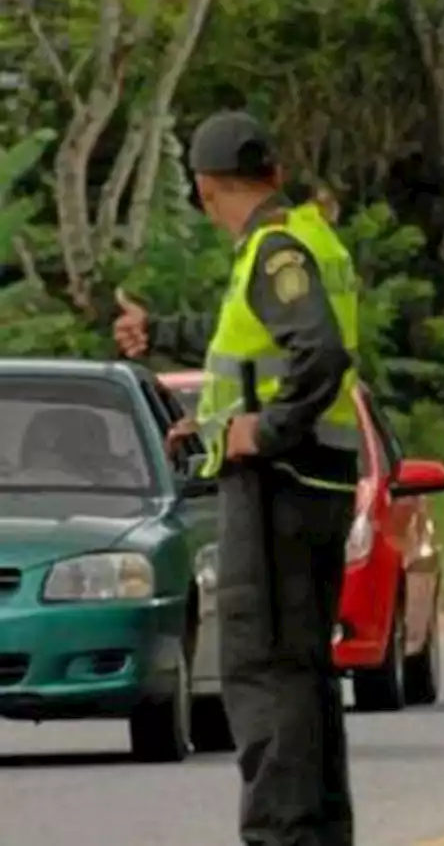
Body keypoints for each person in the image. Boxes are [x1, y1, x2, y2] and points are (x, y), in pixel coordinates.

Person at [112, 110, 359, 846]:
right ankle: (316, 833)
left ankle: (281, 836)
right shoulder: (309, 239)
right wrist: (173, 351)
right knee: (305, 676)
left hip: (279, 484)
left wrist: (266, 431)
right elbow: (251, 347)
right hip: (313, 483)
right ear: (275, 174)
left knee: (264, 673)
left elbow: (317, 353)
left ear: (206, 187)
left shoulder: (276, 251)